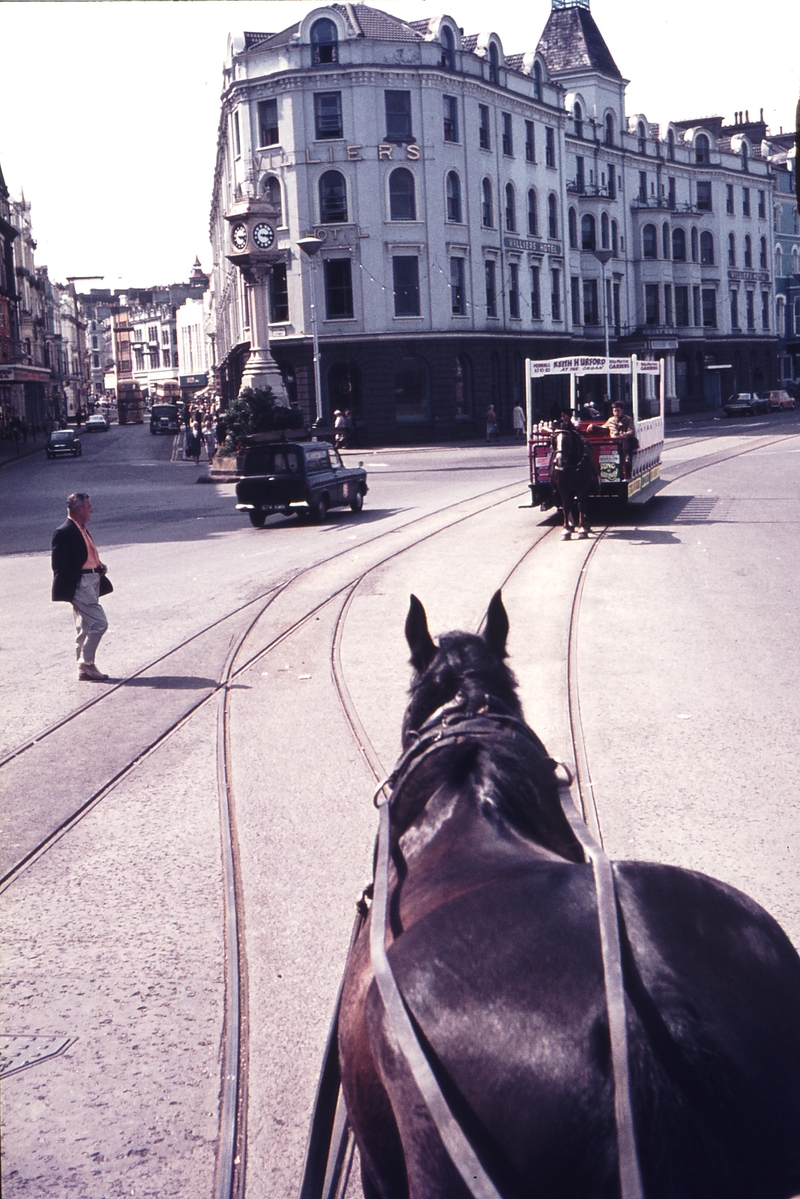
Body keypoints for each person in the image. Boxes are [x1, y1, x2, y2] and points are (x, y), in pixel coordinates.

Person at [51, 493, 113, 681]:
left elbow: (83, 553)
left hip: (92, 580)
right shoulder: (64, 532)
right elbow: (59, 565)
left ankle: (83, 670)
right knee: (99, 622)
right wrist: (77, 581)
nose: (91, 510)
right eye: (88, 506)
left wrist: (98, 564)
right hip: (81, 584)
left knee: (84, 626)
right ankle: (86, 663)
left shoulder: (81, 528)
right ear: (79, 510)